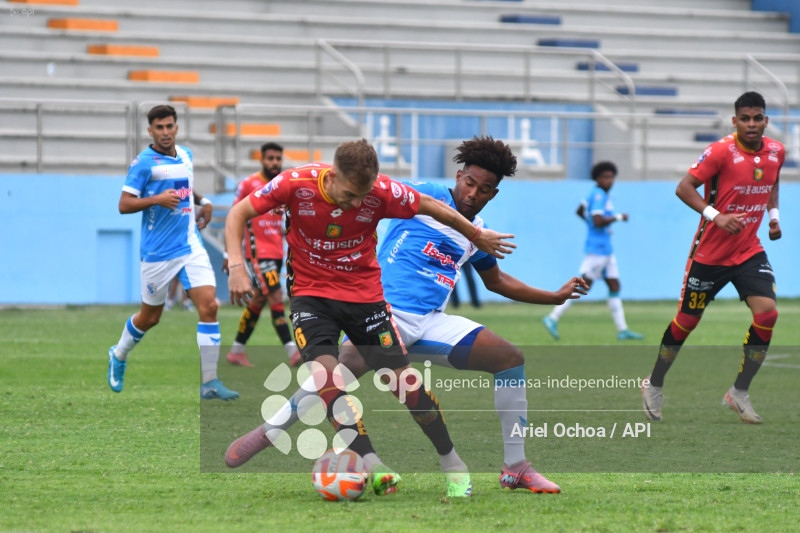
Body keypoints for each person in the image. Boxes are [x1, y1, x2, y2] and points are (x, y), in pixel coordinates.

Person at [232, 136, 589, 493]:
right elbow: (384, 189)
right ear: (459, 175)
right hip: (382, 311)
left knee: (510, 359)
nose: (472, 194)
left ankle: (516, 468)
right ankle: (270, 431)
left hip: (432, 322)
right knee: (331, 379)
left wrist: (554, 297)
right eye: (469, 183)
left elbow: (496, 281)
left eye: (484, 189)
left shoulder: (476, 232)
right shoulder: (427, 193)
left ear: (493, 194)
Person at [642, 91, 782, 424]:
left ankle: (739, 392)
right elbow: (684, 187)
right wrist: (716, 215)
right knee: (687, 322)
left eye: (757, 118)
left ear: (765, 120)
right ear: (735, 121)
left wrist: (773, 215)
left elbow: (772, 183)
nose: (751, 124)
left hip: (748, 250)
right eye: (745, 119)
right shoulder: (720, 151)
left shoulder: (777, 151)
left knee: (768, 314)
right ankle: (654, 384)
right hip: (711, 253)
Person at [106, 104, 238, 401]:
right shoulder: (143, 163)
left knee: (210, 307)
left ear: (176, 127)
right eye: (159, 127)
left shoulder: (187, 156)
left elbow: (184, 187)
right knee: (150, 317)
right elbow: (124, 204)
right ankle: (119, 353)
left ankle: (210, 382)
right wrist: (155, 199)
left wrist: (203, 200)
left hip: (190, 245)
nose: (165, 132)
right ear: (150, 131)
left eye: (169, 126)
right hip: (158, 252)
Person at [542, 161, 644, 341]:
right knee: (583, 284)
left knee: (614, 285)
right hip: (598, 249)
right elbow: (597, 221)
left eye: (612, 177)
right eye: (605, 177)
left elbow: (580, 210)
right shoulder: (599, 195)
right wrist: (618, 217)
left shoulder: (596, 194)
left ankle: (622, 330)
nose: (609, 180)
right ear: (597, 178)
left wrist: (592, 223)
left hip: (606, 249)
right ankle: (552, 317)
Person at [222, 142, 300, 367]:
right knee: (276, 296)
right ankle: (293, 353)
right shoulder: (249, 184)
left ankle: (236, 351)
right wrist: (230, 254)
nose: (275, 163)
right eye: (270, 158)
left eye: (278, 159)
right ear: (262, 160)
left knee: (259, 299)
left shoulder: (283, 185)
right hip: (257, 254)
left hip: (277, 252)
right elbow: (235, 216)